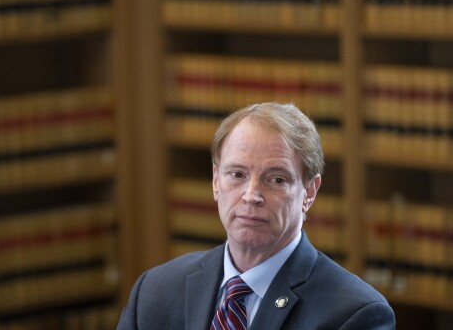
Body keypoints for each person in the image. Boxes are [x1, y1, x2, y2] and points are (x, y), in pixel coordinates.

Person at [116, 102, 395, 330]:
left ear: (309, 192)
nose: (251, 195)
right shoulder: (153, 292)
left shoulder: (355, 314)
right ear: (215, 181)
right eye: (237, 175)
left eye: (276, 180)